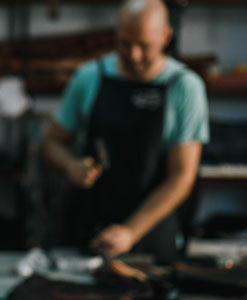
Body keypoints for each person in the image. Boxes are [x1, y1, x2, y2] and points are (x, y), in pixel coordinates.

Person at [41, 0, 208, 264]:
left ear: (166, 36)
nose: (133, 55)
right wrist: (70, 165)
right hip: (88, 224)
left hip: (152, 232)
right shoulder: (89, 77)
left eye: (144, 46)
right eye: (124, 43)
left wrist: (131, 231)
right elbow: (51, 143)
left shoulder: (185, 87)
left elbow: (182, 177)